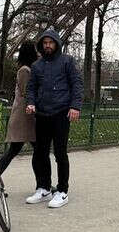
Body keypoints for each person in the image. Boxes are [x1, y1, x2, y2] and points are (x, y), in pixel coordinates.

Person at [24, 29, 83, 209]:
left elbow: (76, 84)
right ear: (41, 45)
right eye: (44, 43)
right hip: (42, 114)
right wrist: (31, 102)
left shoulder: (67, 62)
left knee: (60, 153)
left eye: (50, 42)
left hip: (61, 113)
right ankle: (43, 188)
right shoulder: (37, 66)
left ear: (56, 43)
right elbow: (31, 88)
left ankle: (62, 191)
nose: (47, 45)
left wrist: (75, 106)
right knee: (40, 153)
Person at [0, 41, 39, 182]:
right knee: (37, 152)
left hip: (24, 117)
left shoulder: (25, 69)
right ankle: (43, 184)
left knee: (13, 152)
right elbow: (27, 92)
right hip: (24, 118)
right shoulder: (25, 70)